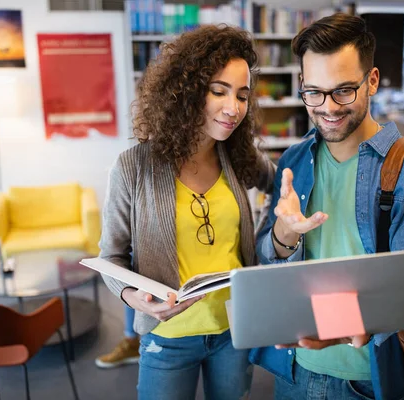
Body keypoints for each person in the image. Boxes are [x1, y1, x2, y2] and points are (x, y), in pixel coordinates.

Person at [250, 13, 404, 400]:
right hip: (293, 371)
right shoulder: (293, 161)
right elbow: (267, 258)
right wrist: (283, 235)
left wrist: (337, 325)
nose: (328, 107)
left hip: (367, 379)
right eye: (314, 92)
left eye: (344, 90)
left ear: (372, 80)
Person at [99, 25, 275, 399]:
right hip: (168, 337)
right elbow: (110, 257)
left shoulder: (238, 157)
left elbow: (283, 181)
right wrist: (133, 297)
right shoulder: (135, 166)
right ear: (187, 91)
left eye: (242, 95)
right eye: (219, 91)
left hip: (232, 331)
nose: (234, 108)